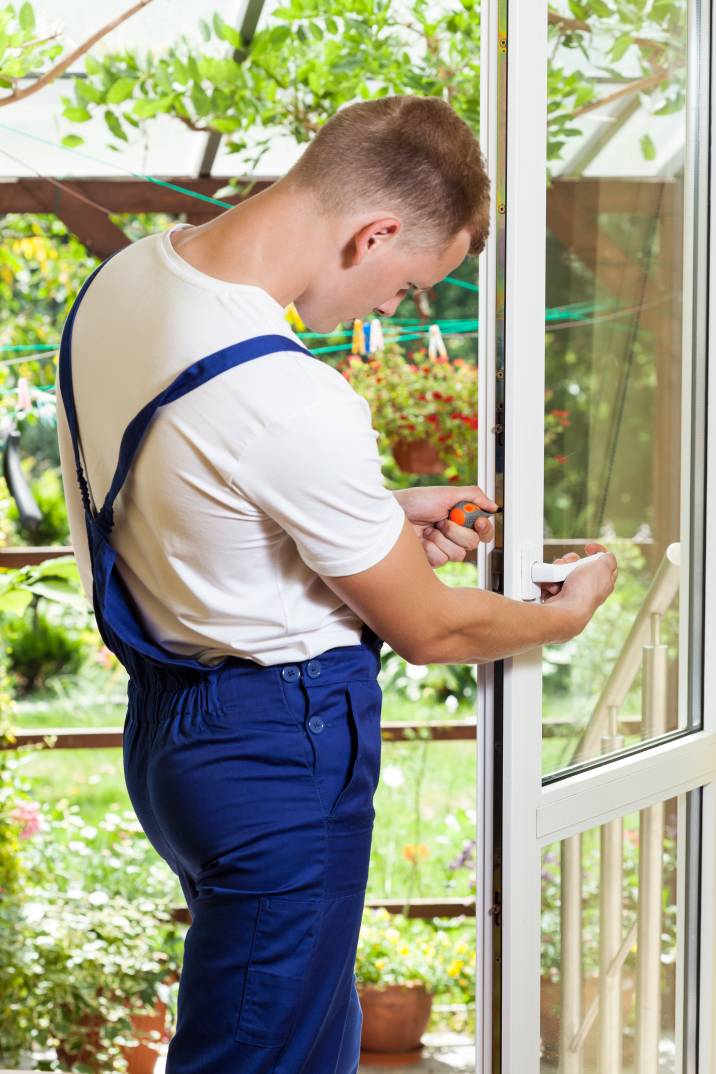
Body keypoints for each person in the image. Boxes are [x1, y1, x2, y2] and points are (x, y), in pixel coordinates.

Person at [55, 94, 617, 1073]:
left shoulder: (126, 282)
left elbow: (189, 488)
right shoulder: (290, 399)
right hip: (278, 753)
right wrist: (556, 617)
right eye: (407, 285)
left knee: (305, 1042)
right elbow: (431, 629)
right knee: (261, 1056)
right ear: (374, 234)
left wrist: (372, 514)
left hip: (178, 733)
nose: (394, 309)